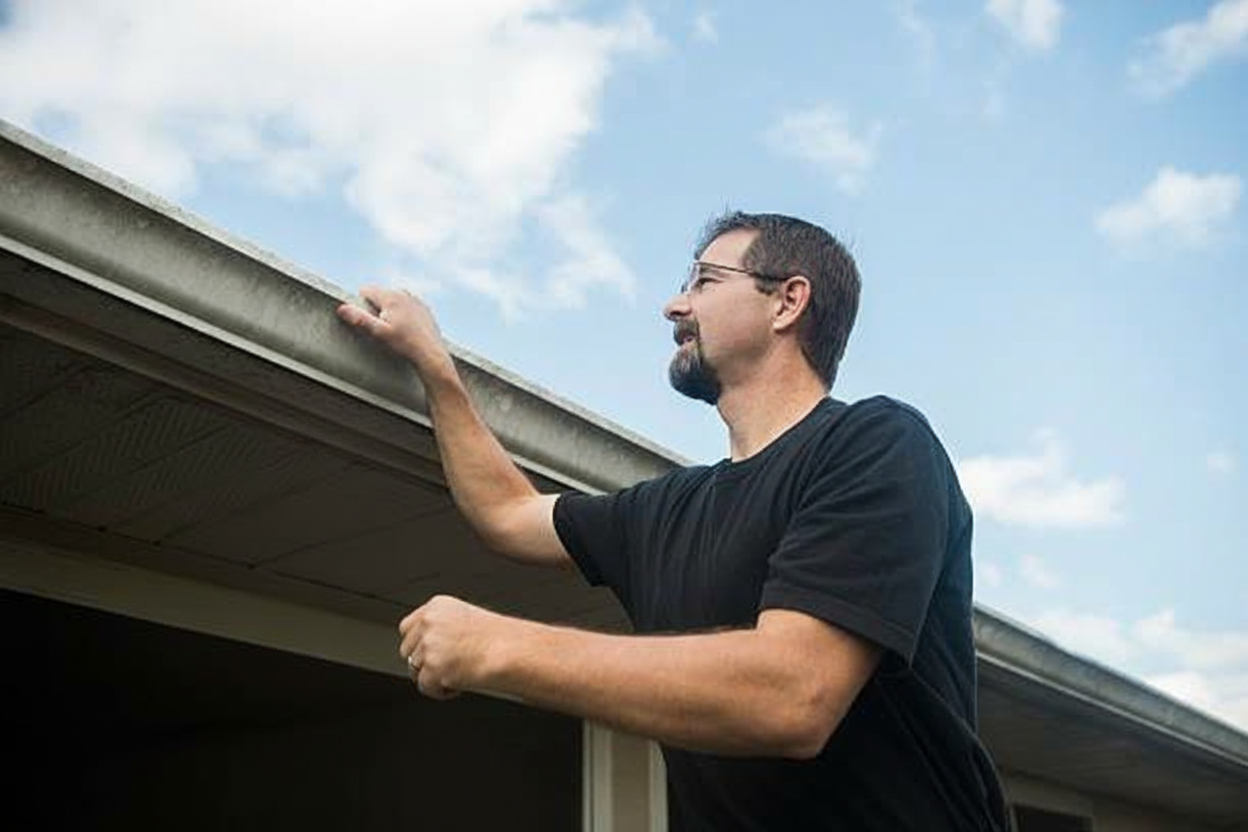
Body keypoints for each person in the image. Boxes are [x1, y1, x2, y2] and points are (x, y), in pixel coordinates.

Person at [336, 210, 1010, 831]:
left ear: (788, 301)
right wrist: (436, 367)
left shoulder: (877, 444)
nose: (674, 305)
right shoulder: (666, 510)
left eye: (705, 281)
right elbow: (508, 513)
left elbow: (795, 693)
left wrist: (496, 646)